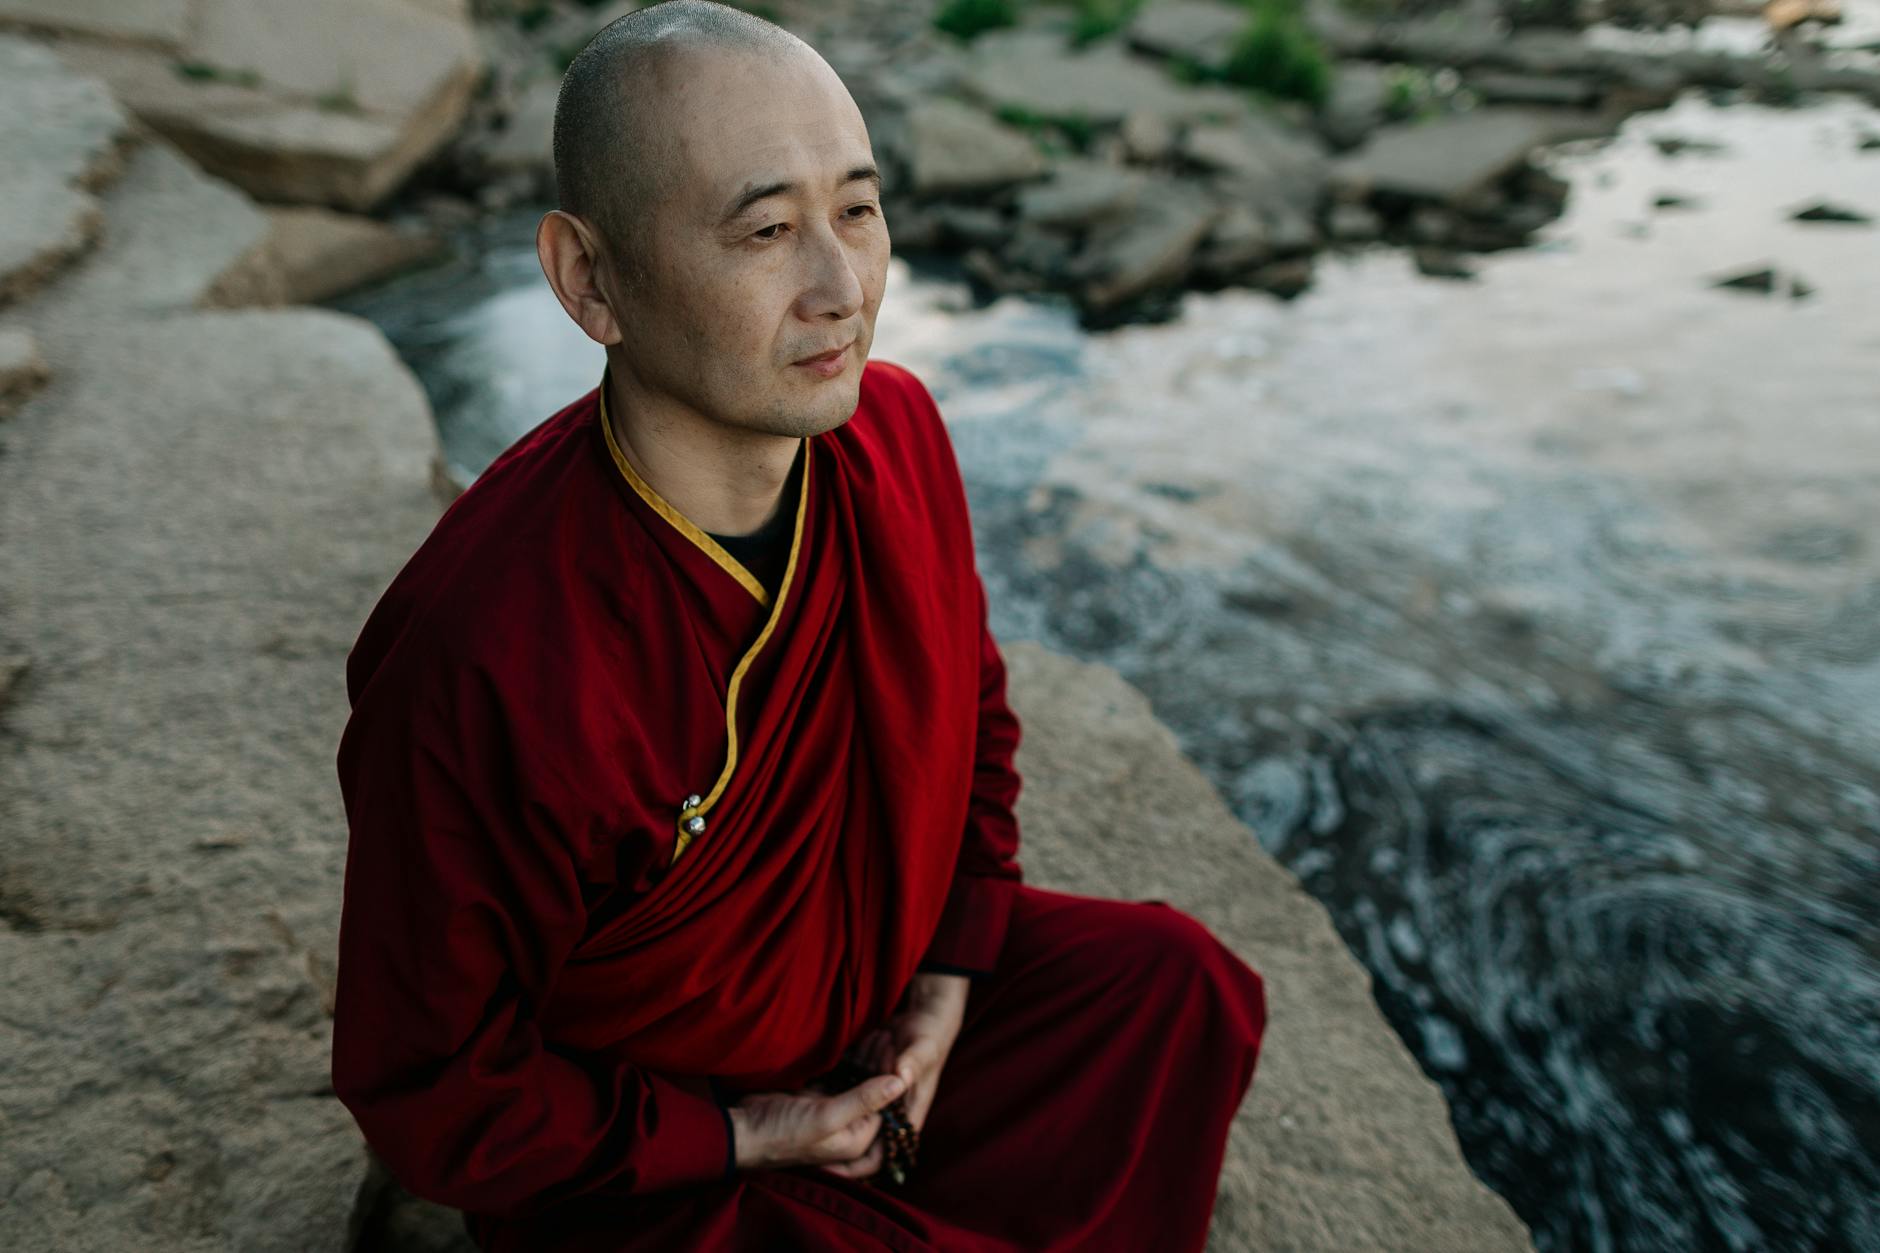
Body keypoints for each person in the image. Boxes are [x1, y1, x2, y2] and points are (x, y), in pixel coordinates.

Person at [329, 3, 1268, 1249]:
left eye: (859, 211)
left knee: (1173, 990)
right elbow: (436, 1083)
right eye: (768, 229)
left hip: (876, 1020)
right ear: (588, 279)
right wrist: (750, 1133)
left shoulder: (897, 436)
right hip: (653, 1144)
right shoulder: (488, 653)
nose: (841, 291)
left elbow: (971, 714)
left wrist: (948, 978)